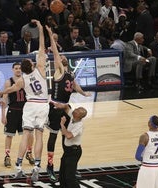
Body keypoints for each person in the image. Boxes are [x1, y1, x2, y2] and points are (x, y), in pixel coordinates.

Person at [0, 19, 48, 182]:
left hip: (30, 105)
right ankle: (36, 167)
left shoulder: (22, 80)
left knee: (25, 135)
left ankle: (18, 167)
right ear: (31, 65)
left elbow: (10, 90)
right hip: (42, 105)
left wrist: (0, 92)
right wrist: (40, 29)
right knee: (39, 136)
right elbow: (42, 46)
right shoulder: (40, 68)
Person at [45, 26, 91, 182]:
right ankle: (49, 167)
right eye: (60, 56)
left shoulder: (70, 73)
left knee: (69, 138)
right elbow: (56, 53)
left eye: (64, 56)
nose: (62, 57)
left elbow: (75, 84)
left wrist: (84, 93)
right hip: (55, 107)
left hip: (66, 107)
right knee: (53, 137)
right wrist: (51, 35)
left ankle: (69, 166)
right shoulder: (59, 71)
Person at [1, 62, 34, 168]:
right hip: (13, 110)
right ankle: (7, 156)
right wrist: (2, 114)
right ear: (12, 70)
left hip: (26, 111)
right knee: (9, 135)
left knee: (29, 134)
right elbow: (4, 98)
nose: (18, 70)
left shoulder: (26, 80)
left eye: (20, 68)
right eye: (16, 68)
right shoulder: (8, 82)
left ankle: (29, 153)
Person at [54, 102, 87, 188]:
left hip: (74, 152)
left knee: (70, 177)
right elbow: (67, 108)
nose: (75, 110)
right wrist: (61, 105)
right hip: (68, 152)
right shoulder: (73, 116)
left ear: (79, 116)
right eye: (77, 108)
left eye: (78, 111)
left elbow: (68, 135)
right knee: (62, 175)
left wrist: (62, 124)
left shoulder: (79, 125)